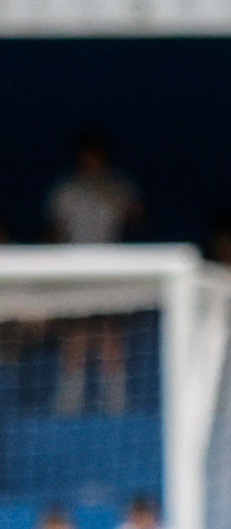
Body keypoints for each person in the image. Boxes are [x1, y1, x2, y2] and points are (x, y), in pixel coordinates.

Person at [47, 134, 142, 416]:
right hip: (74, 268)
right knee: (75, 329)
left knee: (109, 330)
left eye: (95, 155)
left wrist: (113, 195)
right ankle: (69, 398)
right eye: (86, 155)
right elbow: (54, 231)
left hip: (109, 267)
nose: (90, 160)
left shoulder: (118, 185)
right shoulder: (65, 189)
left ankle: (115, 398)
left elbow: (138, 219)